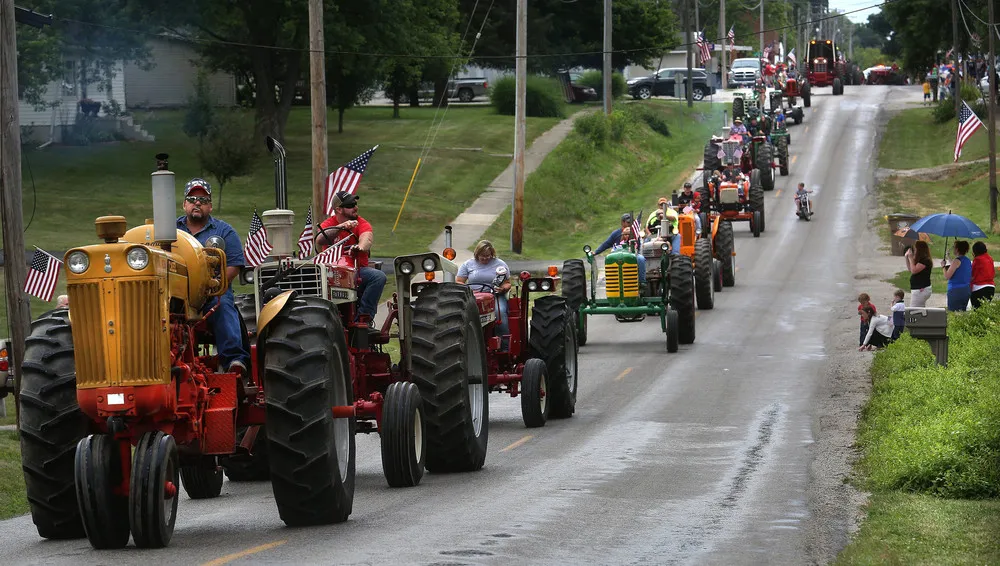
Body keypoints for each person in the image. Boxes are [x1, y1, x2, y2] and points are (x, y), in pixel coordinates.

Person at [176, 178, 250, 377]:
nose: (197, 203)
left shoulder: (224, 231)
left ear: (210, 205)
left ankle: (234, 360)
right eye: (192, 199)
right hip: (176, 292)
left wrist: (212, 286)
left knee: (223, 304)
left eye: (203, 199)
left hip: (212, 291)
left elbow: (234, 264)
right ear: (184, 204)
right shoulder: (170, 231)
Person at [315, 190, 387, 325]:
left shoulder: (361, 222)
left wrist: (359, 247)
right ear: (339, 209)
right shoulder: (328, 224)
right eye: (350, 205)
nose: (355, 207)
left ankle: (364, 319)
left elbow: (367, 239)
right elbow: (320, 239)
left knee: (378, 277)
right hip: (331, 273)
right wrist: (341, 227)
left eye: (355, 204)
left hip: (357, 271)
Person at [457, 240, 511, 348]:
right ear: (477, 254)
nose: (486, 258)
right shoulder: (468, 264)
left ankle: (504, 346)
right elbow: (459, 281)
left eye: (488, 256)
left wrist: (502, 289)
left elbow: (508, 283)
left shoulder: (500, 264)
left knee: (500, 313)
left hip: (495, 295)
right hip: (473, 296)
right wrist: (467, 289)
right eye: (483, 256)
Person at [594, 214, 647, 284]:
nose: (630, 224)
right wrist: (596, 252)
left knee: (641, 259)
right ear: (622, 222)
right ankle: (612, 282)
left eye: (632, 223)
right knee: (610, 259)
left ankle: (641, 281)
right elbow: (606, 244)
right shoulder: (616, 234)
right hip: (618, 255)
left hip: (632, 255)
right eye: (628, 222)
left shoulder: (635, 233)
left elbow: (638, 247)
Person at [942, 240, 972, 311]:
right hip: (966, 290)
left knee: (953, 313)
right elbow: (956, 265)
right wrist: (948, 256)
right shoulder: (967, 260)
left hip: (955, 291)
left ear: (957, 249)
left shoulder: (956, 261)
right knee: (962, 313)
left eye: (954, 248)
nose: (953, 249)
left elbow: (947, 276)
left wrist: (943, 266)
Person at [905, 240, 934, 307]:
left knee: (914, 310)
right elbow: (910, 269)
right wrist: (906, 257)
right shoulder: (920, 260)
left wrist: (911, 258)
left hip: (921, 289)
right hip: (918, 289)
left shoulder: (925, 260)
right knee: (919, 310)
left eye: (915, 249)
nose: (914, 251)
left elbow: (914, 270)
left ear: (920, 250)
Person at [970, 241, 996, 308]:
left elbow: (972, 275)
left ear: (975, 251)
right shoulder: (990, 258)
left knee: (977, 311)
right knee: (985, 311)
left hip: (979, 288)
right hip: (991, 288)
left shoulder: (977, 260)